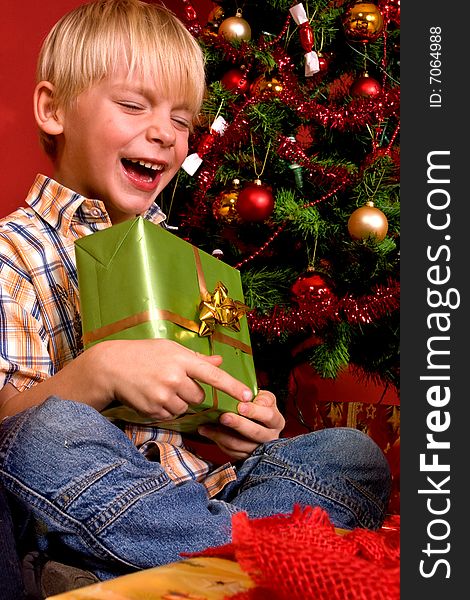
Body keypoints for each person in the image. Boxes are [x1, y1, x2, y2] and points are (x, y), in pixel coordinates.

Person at [0, 0, 391, 584]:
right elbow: (9, 431)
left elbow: (200, 424)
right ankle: (253, 553)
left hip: (185, 496)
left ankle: (210, 553)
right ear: (53, 108)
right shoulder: (13, 252)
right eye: (133, 106)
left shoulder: (183, 259)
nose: (163, 133)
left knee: (349, 454)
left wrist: (239, 419)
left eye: (183, 121)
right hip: (84, 503)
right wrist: (99, 372)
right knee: (46, 436)